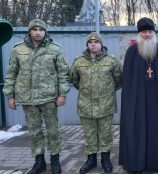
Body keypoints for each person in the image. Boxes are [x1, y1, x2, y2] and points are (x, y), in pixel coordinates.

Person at [3, 19, 69, 174]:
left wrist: (62, 94)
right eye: (35, 29)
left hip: (49, 97)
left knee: (53, 131)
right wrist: (10, 96)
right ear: (29, 32)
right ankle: (39, 162)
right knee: (34, 131)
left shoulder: (55, 49)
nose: (38, 32)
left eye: (41, 29)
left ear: (45, 32)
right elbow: (11, 74)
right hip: (28, 98)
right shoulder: (18, 50)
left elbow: (63, 73)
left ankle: (55, 161)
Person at [119, 17, 158, 173]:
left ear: (154, 32)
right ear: (139, 33)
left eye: (150, 31)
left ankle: (157, 161)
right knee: (137, 127)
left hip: (157, 99)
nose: (147, 35)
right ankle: (136, 161)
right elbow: (128, 79)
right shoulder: (131, 52)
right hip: (138, 99)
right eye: (144, 32)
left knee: (157, 128)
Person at [70, 33, 122, 173]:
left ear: (101, 44)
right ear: (87, 45)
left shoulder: (111, 60)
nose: (93, 44)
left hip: (106, 105)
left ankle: (106, 160)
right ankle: (91, 160)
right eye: (90, 42)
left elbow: (118, 80)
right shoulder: (78, 61)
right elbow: (74, 80)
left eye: (96, 42)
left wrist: (107, 92)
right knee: (89, 135)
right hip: (86, 105)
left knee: (105, 134)